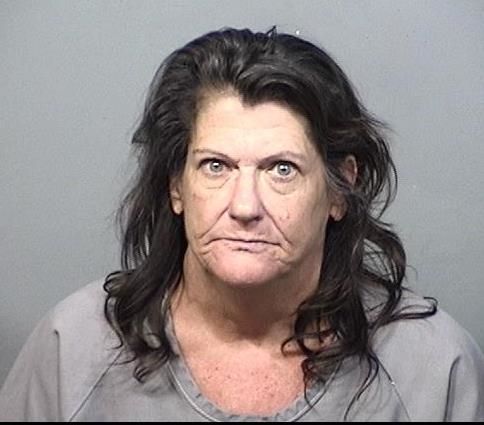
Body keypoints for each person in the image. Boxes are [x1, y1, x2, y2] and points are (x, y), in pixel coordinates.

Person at [1, 27, 483, 422]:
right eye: (216, 166)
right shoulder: (73, 351)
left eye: (281, 169)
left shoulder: (432, 368)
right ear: (176, 186)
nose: (245, 206)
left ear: (340, 189)